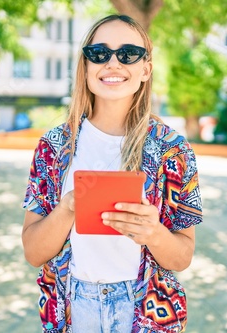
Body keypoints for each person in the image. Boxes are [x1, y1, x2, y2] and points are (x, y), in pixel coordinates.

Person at [21, 14, 203, 333]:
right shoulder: (53, 147)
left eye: (128, 54)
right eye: (100, 54)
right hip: (73, 307)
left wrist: (153, 232)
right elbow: (34, 252)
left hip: (147, 307)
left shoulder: (173, 150)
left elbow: (182, 257)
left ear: (145, 69)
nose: (113, 63)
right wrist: (67, 209)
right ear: (86, 66)